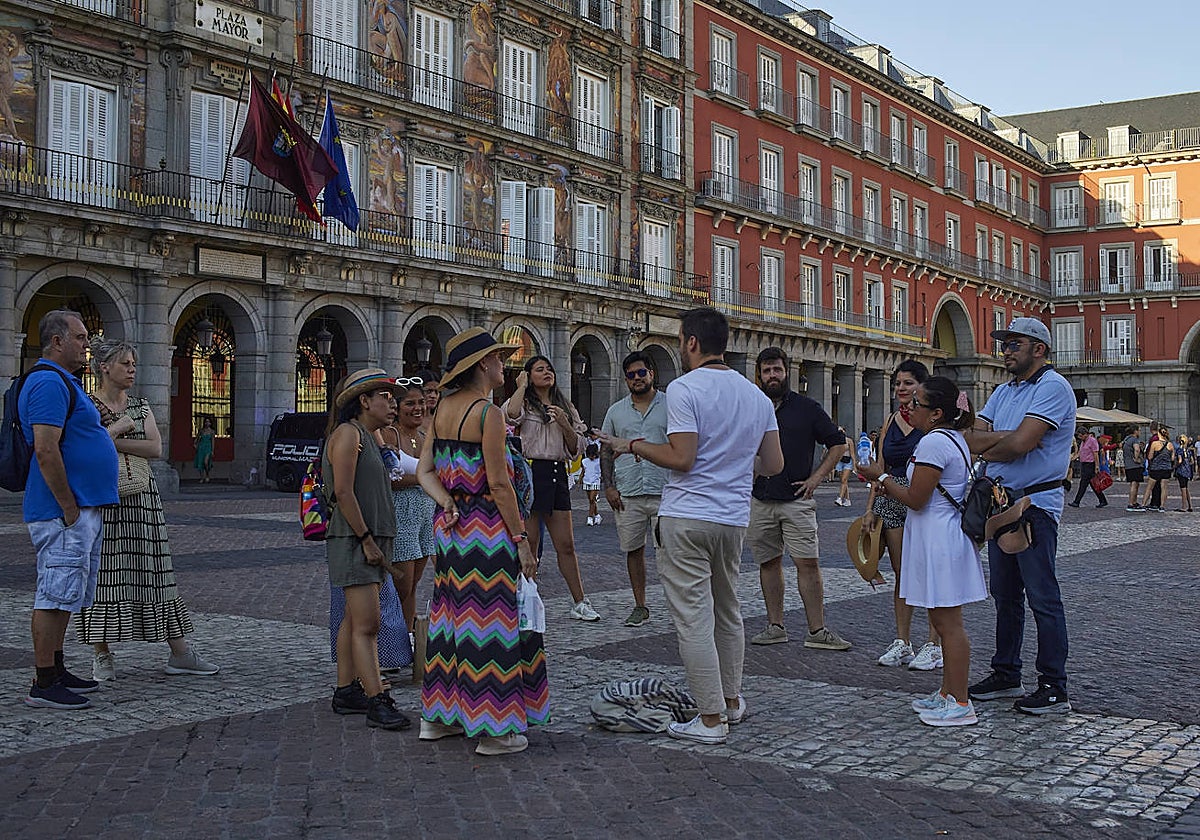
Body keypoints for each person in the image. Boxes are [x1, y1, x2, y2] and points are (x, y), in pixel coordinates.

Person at [602, 307, 782, 745]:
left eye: (682, 341)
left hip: (687, 515)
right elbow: (774, 464)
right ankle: (733, 701)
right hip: (733, 518)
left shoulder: (684, 389)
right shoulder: (757, 396)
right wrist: (733, 465)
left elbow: (682, 458)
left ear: (693, 343)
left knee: (693, 619)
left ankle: (710, 718)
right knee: (728, 610)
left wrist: (632, 445)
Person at [417, 327, 548, 756]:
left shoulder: (440, 411)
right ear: (480, 366)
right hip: (488, 530)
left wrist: (447, 502)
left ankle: (439, 719)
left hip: (452, 530)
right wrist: (522, 540)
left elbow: (425, 473)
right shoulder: (486, 414)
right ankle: (493, 729)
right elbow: (499, 484)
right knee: (490, 625)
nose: (503, 365)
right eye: (496, 358)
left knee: (450, 619)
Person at [78, 338, 219, 681]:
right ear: (104, 367)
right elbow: (81, 449)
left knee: (155, 572)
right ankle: (102, 655)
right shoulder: (84, 406)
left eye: (134, 364)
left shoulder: (140, 406)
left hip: (142, 497)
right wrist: (114, 431)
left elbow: (156, 447)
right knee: (104, 575)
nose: (131, 369)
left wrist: (112, 438)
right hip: (102, 499)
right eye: (125, 363)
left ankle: (180, 652)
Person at [965, 317, 1075, 715]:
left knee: (1043, 598)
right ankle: (1006, 672)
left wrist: (996, 443)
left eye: (1014, 343)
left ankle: (1053, 684)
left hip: (1035, 506)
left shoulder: (1053, 388)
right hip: (1000, 503)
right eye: (1004, 343)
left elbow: (1022, 444)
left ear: (1039, 349)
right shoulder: (1003, 390)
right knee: (1006, 597)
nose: (1005, 350)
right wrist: (1005, 441)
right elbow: (975, 440)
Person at [861, 377, 985, 726]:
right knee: (940, 620)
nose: (909, 408)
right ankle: (947, 692)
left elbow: (917, 498)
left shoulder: (933, 443)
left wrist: (881, 479)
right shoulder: (951, 439)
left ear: (936, 414)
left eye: (917, 403)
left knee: (949, 624)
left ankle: (961, 701)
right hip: (938, 536)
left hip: (939, 538)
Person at [20, 310, 117, 709]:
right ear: (56, 341)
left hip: (77, 508)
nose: (86, 344)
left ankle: (56, 668)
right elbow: (45, 448)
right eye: (79, 337)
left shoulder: (65, 382)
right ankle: (44, 683)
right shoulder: (47, 382)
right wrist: (68, 506)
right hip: (63, 510)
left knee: (67, 592)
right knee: (54, 592)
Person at [747, 347, 851, 652]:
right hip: (761, 499)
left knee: (808, 563)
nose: (772, 376)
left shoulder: (807, 408)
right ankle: (775, 625)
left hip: (796, 499)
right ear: (759, 374)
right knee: (768, 563)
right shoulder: (751, 407)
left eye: (777, 370)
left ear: (787, 371)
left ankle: (817, 630)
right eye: (766, 371)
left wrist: (817, 478)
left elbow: (837, 444)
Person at [324, 369, 411, 731]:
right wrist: (366, 539)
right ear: (364, 401)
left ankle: (346, 691)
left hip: (368, 540)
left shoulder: (369, 438)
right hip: (354, 541)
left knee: (352, 619)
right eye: (385, 397)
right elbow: (343, 492)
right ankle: (377, 698)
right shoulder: (348, 434)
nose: (392, 403)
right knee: (368, 624)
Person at [503, 355, 598, 621]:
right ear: (528, 375)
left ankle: (580, 601)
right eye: (539, 369)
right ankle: (525, 600)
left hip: (556, 472)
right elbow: (510, 416)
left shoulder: (564, 405)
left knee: (566, 544)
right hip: (530, 471)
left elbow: (576, 446)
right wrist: (520, 386)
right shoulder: (524, 403)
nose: (547, 373)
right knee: (530, 544)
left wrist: (565, 424)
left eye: (549, 369)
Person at [865, 360, 942, 671]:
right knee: (903, 574)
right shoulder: (891, 421)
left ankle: (934, 644)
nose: (900, 389)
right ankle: (903, 641)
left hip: (923, 498)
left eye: (907, 383)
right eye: (897, 383)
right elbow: (880, 468)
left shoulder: (932, 423)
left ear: (921, 387)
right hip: (890, 498)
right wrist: (870, 508)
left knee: (930, 572)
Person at [600, 351, 668, 628]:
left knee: (670, 551)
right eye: (631, 375)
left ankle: (679, 603)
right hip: (628, 491)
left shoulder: (672, 404)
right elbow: (605, 449)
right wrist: (609, 487)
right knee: (633, 549)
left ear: (652, 374)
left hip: (666, 489)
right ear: (626, 380)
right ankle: (640, 605)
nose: (637, 379)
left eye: (642, 373)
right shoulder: (616, 411)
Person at [379, 378, 436, 629]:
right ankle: (388, 641)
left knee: (413, 585)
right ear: (398, 407)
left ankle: (408, 638)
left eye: (421, 403)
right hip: (401, 513)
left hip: (425, 514)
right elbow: (388, 478)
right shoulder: (389, 435)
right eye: (410, 403)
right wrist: (424, 479)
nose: (417, 408)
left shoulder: (424, 437)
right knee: (401, 584)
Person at [1068, 429, 1107, 508]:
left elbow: (1095, 453)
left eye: (1081, 436)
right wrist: (1072, 459)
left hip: (1090, 464)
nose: (1080, 438)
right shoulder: (1083, 442)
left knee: (1084, 483)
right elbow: (1080, 452)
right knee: (1093, 484)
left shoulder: (1092, 441)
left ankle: (1077, 501)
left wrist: (1097, 466)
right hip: (1085, 464)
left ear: (1085, 434)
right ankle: (1102, 500)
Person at [1140, 425, 1174, 512]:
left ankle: (1143, 504)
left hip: (1156, 468)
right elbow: (1172, 458)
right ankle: (1162, 506)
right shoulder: (1170, 445)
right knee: (1164, 488)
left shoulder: (1155, 444)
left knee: (1149, 487)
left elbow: (1150, 456)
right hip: (1166, 468)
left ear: (1159, 434)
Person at [1123, 427, 1145, 511]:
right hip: (1135, 465)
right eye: (1139, 430)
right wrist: (1136, 458)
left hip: (1128, 465)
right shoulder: (1134, 440)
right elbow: (1136, 449)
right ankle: (1131, 503)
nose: (1140, 432)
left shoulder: (1126, 440)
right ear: (1135, 431)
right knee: (1134, 484)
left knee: (1134, 484)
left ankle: (1134, 502)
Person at [582, 441, 602, 525]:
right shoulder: (584, 461)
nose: (592, 457)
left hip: (595, 481)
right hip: (586, 481)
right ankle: (597, 515)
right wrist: (580, 480)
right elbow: (583, 471)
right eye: (590, 455)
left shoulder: (599, 461)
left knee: (591, 499)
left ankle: (590, 517)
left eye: (593, 455)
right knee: (591, 501)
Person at [834, 428, 853, 507]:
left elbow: (852, 453)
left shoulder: (849, 441)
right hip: (839, 462)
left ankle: (840, 498)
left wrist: (855, 465)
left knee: (844, 480)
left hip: (848, 461)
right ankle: (847, 500)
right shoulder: (836, 441)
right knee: (843, 482)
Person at [1175, 434, 1194, 512]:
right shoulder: (1188, 450)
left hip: (1181, 471)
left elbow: (1179, 460)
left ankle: (1184, 506)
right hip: (1187, 471)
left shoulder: (1179, 450)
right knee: (1186, 488)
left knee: (1182, 489)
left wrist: (1175, 466)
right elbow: (1192, 461)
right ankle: (1190, 505)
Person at [193, 416, 215, 483]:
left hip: (208, 447)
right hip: (201, 447)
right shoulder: (201, 431)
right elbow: (197, 438)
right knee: (200, 462)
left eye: (208, 422)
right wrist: (195, 444)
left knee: (206, 462)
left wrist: (212, 450)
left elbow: (213, 442)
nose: (207, 423)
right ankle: (202, 477)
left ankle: (207, 475)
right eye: (206, 422)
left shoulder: (212, 432)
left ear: (210, 423)